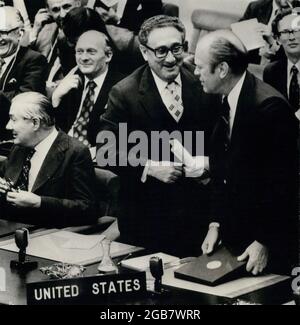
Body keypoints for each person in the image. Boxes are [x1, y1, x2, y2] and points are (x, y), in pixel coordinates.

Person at [98, 15, 218, 256]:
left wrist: (208, 165)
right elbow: (105, 151)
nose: (172, 59)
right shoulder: (124, 93)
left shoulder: (204, 83)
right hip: (145, 219)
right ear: (144, 52)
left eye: (177, 48)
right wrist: (149, 167)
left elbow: (224, 143)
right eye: (161, 51)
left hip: (198, 218)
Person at [195, 29, 298, 274]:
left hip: (270, 242)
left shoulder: (269, 108)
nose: (195, 73)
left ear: (222, 69)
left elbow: (284, 184)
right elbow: (223, 171)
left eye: (200, 67)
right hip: (235, 234)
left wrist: (264, 241)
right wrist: (215, 223)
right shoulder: (221, 97)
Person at [0, 92, 97, 227]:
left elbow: (87, 209)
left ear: (35, 123)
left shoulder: (75, 152)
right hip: (12, 231)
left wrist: (39, 202)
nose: (8, 126)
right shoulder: (18, 148)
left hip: (50, 237)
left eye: (13, 119)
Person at [52, 30, 123, 158]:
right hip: (63, 153)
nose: (84, 58)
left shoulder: (121, 87)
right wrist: (56, 98)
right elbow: (56, 128)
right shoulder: (71, 83)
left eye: (91, 51)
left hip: (96, 157)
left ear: (108, 56)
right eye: (79, 51)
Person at [0, 6, 47, 139]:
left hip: (12, 137)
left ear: (20, 33)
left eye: (3, 32)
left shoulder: (34, 60)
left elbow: (24, 103)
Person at [263, 9, 300, 114]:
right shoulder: (271, 72)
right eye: (285, 32)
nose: (292, 37)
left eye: (297, 30)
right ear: (277, 39)